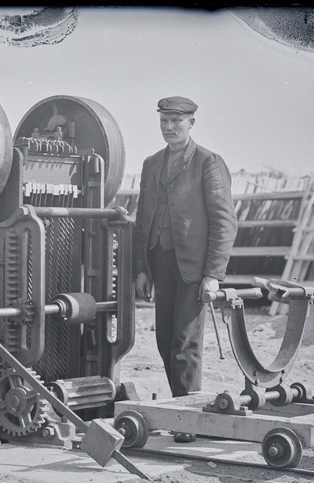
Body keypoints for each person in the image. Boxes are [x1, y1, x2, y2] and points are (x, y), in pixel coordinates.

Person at [132, 96, 237, 442]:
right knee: (165, 341)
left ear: (192, 123)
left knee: (184, 344)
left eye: (176, 121)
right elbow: (142, 219)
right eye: (164, 120)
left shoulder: (208, 162)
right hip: (161, 264)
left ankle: (187, 419)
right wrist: (141, 269)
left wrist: (213, 274)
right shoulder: (151, 164)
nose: (169, 127)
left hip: (194, 268)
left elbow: (224, 222)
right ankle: (183, 408)